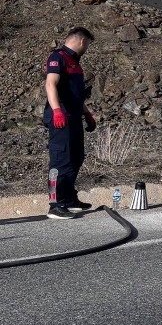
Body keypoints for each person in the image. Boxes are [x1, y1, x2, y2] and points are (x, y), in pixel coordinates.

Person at [44, 27, 97, 220]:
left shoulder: (75, 62)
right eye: (88, 44)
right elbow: (50, 84)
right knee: (61, 160)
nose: (87, 48)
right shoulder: (57, 57)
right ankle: (55, 204)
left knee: (76, 157)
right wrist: (57, 110)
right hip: (61, 118)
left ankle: (68, 199)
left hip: (74, 117)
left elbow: (75, 94)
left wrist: (87, 114)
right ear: (82, 41)